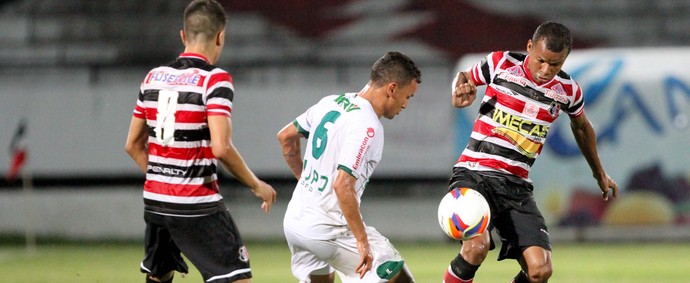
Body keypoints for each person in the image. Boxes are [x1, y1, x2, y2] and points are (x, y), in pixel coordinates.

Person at [443, 21, 619, 283]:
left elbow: (582, 127)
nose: (546, 70)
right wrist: (459, 91)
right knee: (476, 247)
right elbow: (466, 77)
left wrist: (599, 173)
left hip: (516, 186)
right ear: (529, 47)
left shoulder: (568, 91)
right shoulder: (501, 63)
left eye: (555, 64)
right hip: (475, 174)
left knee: (540, 271)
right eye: (541, 60)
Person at [124, 1, 277, 282]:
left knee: (159, 275)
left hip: (156, 201)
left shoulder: (152, 78)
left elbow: (132, 145)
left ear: (183, 36)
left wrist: (164, 178)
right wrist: (256, 184)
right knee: (236, 277)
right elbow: (221, 147)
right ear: (221, 36)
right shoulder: (214, 80)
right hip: (196, 201)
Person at [277, 51, 421, 283]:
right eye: (408, 96)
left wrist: (305, 180)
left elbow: (286, 137)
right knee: (399, 278)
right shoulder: (368, 125)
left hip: (295, 222)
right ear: (392, 88)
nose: (406, 104)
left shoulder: (331, 102)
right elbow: (343, 185)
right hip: (328, 229)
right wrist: (362, 241)